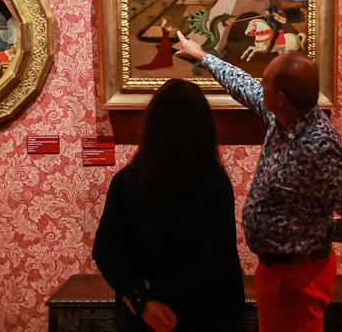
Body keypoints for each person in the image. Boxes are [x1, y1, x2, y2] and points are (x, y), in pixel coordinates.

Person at [174, 34, 342, 332]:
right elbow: (244, 85)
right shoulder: (282, 116)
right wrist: (203, 56)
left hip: (299, 276)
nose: (260, 84)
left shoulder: (318, 147)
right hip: (277, 271)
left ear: (280, 97)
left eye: (265, 81)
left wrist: (317, 232)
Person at [92, 79, 245, 332]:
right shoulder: (215, 182)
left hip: (143, 317)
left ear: (152, 125)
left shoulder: (127, 181)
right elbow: (216, 261)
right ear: (203, 127)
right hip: (206, 315)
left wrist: (142, 298)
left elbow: (107, 251)